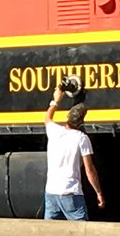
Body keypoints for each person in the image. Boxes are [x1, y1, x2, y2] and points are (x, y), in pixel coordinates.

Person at [43, 86, 104, 221]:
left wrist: (56, 100)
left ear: (67, 117)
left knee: (49, 231)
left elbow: (47, 117)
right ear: (81, 122)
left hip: (51, 192)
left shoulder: (54, 131)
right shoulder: (81, 138)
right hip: (71, 193)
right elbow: (90, 170)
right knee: (81, 230)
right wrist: (99, 193)